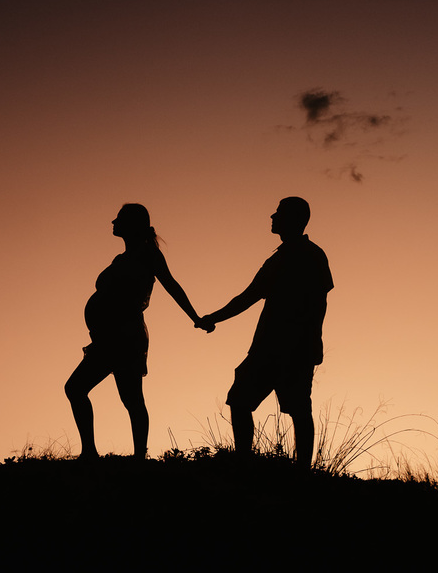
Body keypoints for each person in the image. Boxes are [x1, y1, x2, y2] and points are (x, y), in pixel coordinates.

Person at [65, 203, 209, 459]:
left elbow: (172, 285)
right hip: (108, 336)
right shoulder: (122, 258)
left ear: (132, 224)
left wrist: (195, 317)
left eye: (119, 218)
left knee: (128, 398)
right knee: (83, 390)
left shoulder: (148, 254)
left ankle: (136, 457)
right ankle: (91, 452)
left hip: (125, 336)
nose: (113, 222)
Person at [197, 197, 332, 467]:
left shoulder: (300, 256)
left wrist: (213, 318)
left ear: (292, 219)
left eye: (278, 213)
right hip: (280, 347)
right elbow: (251, 296)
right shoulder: (295, 256)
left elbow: (249, 297)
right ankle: (281, 468)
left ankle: (265, 467)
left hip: (281, 348)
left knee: (284, 407)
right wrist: (214, 318)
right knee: (258, 402)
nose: (272, 216)